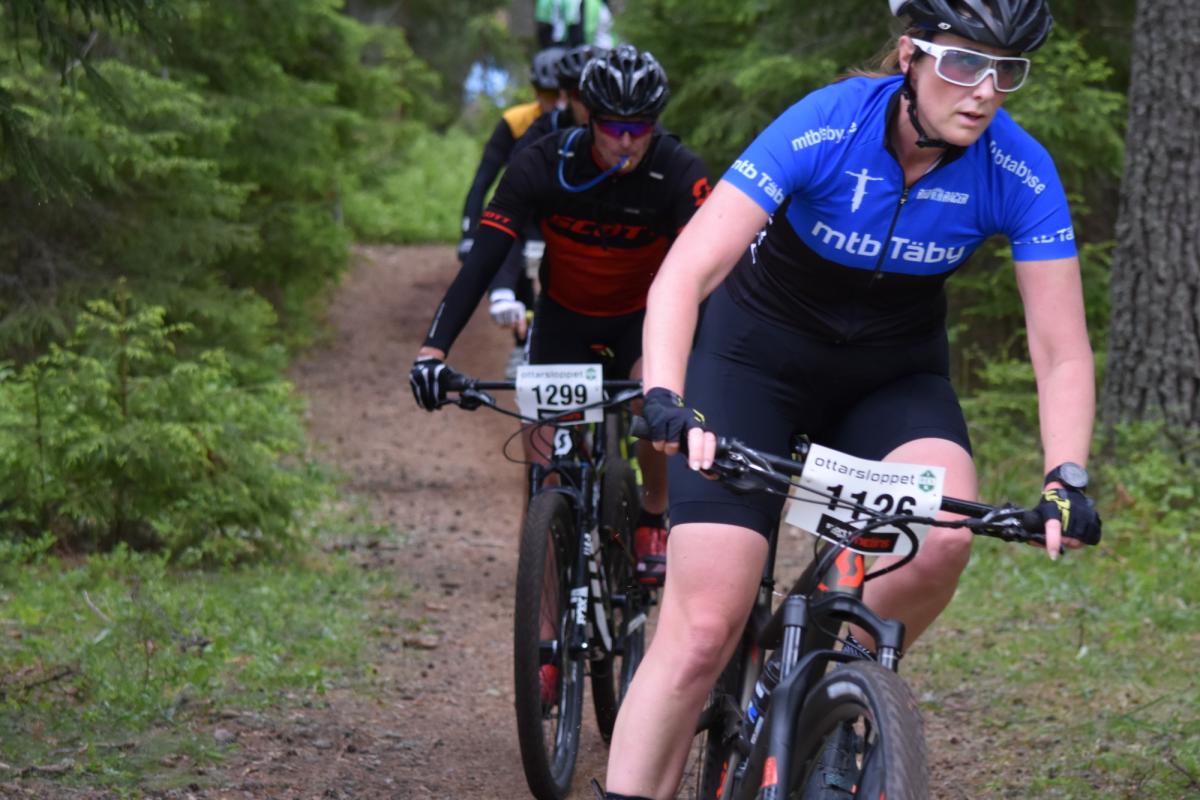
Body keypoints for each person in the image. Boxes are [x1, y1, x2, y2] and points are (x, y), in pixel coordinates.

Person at [599, 1, 1102, 798]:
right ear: (909, 55)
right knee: (701, 631)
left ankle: (830, 677)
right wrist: (665, 392)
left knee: (942, 538)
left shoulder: (1017, 168)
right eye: (963, 63)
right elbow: (686, 273)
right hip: (752, 364)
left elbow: (1060, 348)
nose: (984, 90)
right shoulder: (828, 124)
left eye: (1006, 71)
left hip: (890, 382)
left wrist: (1065, 477)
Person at [411, 44, 713, 590]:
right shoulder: (543, 162)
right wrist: (434, 351)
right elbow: (484, 258)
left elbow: (709, 271)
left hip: (643, 321)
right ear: (589, 118)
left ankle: (652, 516)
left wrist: (711, 360)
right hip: (564, 317)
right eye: (614, 126)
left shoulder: (678, 171)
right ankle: (546, 570)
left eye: (640, 127)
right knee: (544, 450)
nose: (627, 141)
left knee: (653, 405)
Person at [458, 47, 565, 375]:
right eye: (546, 93)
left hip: (564, 212)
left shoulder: (584, 122)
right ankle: (522, 341)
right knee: (510, 246)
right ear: (535, 91)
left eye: (559, 94)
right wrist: (468, 233)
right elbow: (483, 180)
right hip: (526, 211)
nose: (553, 101)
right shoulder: (516, 122)